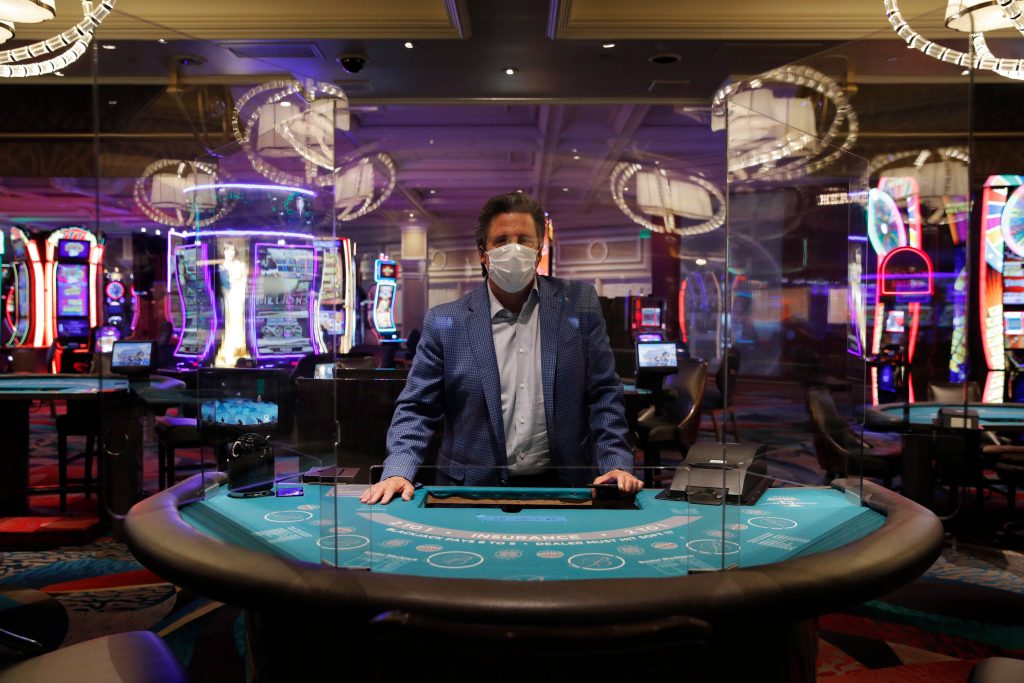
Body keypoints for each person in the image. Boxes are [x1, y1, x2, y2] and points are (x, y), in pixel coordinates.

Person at [361, 192, 642, 504]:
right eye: (501, 240)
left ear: (538, 251)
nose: (514, 249)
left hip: (564, 486)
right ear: (483, 253)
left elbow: (604, 394)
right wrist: (399, 470)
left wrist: (615, 463)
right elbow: (417, 408)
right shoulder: (445, 320)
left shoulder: (579, 304)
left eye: (524, 239)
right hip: (470, 491)